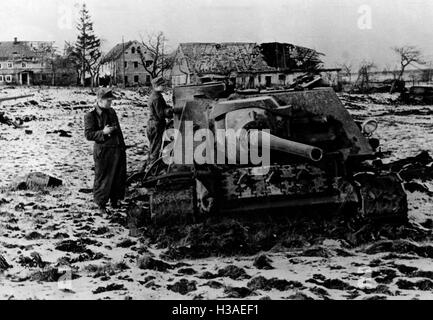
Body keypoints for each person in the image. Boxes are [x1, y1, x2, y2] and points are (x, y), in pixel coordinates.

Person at [84, 88, 126, 214]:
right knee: (103, 178)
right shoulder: (90, 115)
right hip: (103, 152)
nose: (110, 103)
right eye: (108, 101)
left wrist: (122, 146)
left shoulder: (111, 111)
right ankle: (101, 204)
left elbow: (118, 131)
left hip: (117, 149)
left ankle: (115, 200)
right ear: (99, 100)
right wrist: (103, 132)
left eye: (111, 100)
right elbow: (88, 134)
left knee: (118, 177)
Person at [146, 76, 173, 164]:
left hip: (153, 124)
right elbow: (160, 114)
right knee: (156, 148)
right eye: (163, 85)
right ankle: (152, 168)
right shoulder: (156, 98)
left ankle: (150, 165)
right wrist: (170, 111)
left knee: (153, 147)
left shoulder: (156, 95)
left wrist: (167, 108)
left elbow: (162, 108)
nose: (164, 87)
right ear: (157, 86)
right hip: (156, 125)